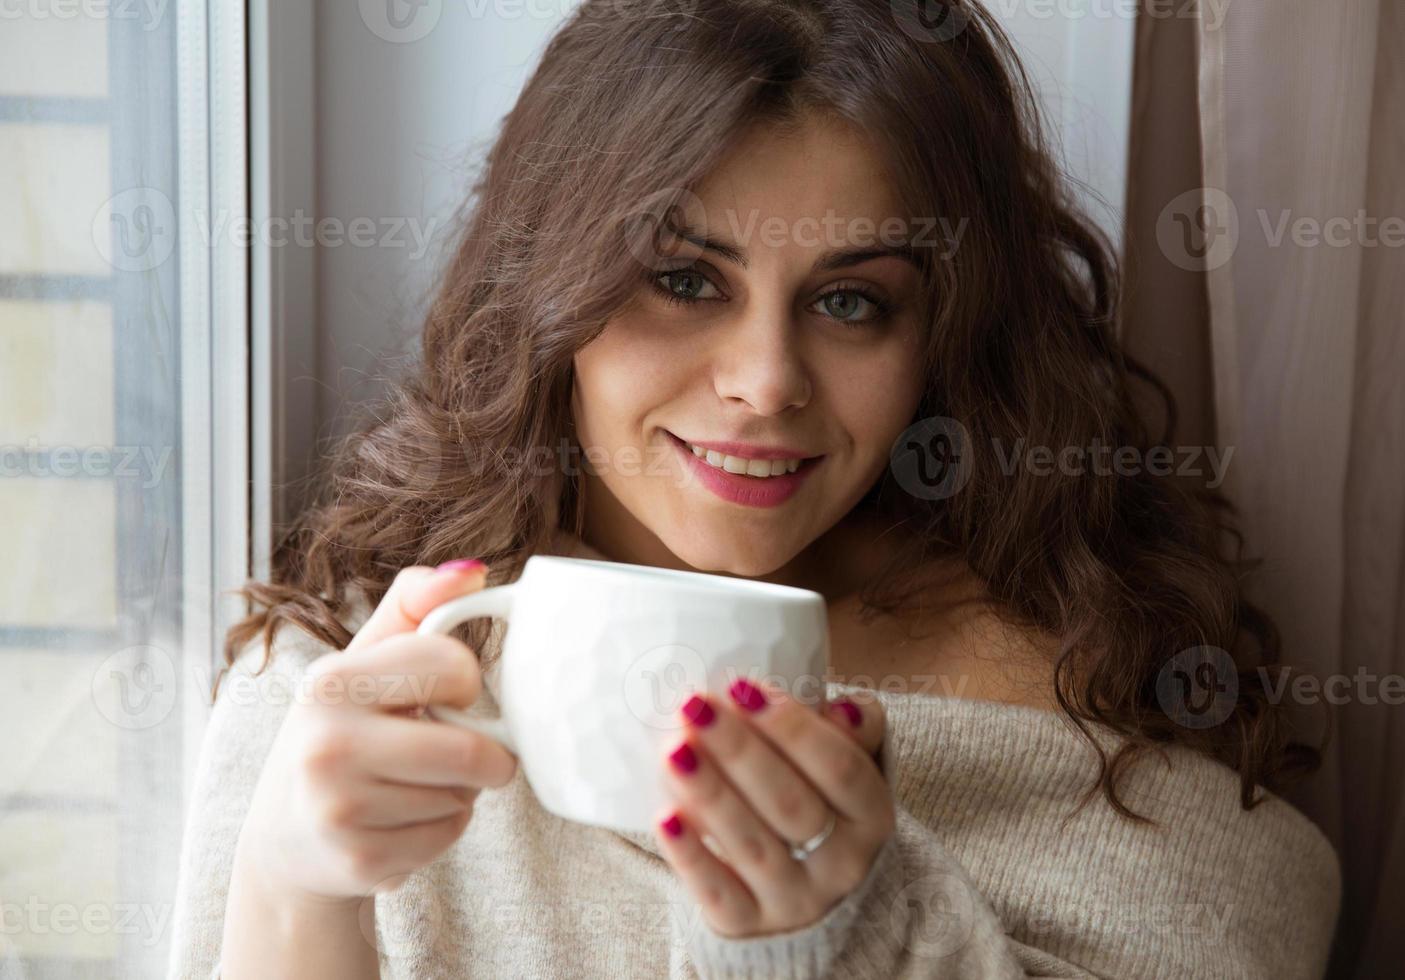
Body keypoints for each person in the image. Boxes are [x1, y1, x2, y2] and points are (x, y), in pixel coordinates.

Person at [167, 0, 1340, 976]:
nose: (765, 382)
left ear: (946, 336)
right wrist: (291, 893)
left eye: (850, 300)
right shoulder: (348, 686)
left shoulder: (1106, 721)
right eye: (683, 277)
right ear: (553, 297)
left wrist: (849, 935)